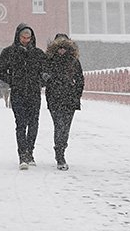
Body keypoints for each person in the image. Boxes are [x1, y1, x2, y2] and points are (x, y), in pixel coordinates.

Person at [0, 23, 46, 170]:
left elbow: (47, 71)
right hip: (18, 93)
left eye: (28, 37)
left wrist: (40, 82)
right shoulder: (8, 52)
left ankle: (30, 152)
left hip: (34, 93)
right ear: (18, 36)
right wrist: (13, 80)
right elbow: (0, 71)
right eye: (23, 37)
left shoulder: (38, 54)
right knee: (21, 124)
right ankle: (22, 155)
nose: (26, 39)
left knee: (34, 124)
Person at [44, 33, 85, 171]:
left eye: (64, 47)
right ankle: (59, 155)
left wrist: (76, 95)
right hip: (55, 99)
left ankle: (61, 149)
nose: (61, 50)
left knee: (65, 128)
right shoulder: (49, 61)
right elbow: (43, 79)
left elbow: (80, 80)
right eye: (59, 47)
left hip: (69, 99)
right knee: (59, 126)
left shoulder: (74, 61)